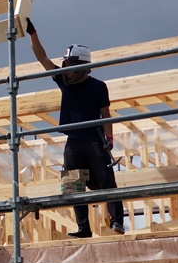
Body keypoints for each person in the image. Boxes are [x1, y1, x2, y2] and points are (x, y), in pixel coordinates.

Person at [26, 18, 124, 238]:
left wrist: (110, 137)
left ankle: (117, 221)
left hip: (94, 140)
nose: (65, 67)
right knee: (72, 185)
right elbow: (42, 58)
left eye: (69, 63)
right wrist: (33, 33)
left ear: (80, 65)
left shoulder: (98, 86)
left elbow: (105, 114)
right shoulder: (63, 80)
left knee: (107, 181)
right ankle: (83, 228)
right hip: (73, 142)